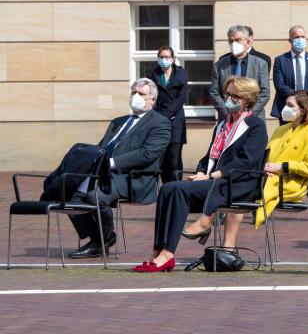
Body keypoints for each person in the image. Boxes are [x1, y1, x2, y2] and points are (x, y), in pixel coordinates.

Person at [132, 76, 268, 273]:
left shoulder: (255, 125)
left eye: (234, 96)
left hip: (237, 183)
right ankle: (158, 251)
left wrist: (212, 176)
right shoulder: (222, 124)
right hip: (215, 182)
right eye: (227, 94)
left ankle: (168, 254)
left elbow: (246, 162)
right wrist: (201, 171)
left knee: (178, 190)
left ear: (247, 99)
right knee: (168, 188)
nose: (228, 99)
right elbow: (209, 156)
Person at [68, 79, 171, 259]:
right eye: (133, 93)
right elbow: (102, 147)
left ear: (152, 100)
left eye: (141, 94)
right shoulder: (118, 121)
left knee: (94, 196)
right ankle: (100, 239)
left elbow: (148, 154)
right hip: (102, 173)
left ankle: (102, 241)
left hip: (131, 177)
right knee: (68, 193)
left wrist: (112, 163)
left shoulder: (159, 123)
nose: (136, 97)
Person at [220, 90, 308, 248]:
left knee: (240, 190)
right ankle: (227, 245)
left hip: (290, 184)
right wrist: (264, 167)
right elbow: (266, 156)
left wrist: (282, 167)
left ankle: (224, 242)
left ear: (303, 110)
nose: (285, 108)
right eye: (285, 104)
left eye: (290, 105)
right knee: (236, 185)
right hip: (267, 177)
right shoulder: (280, 130)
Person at [270, 25, 308, 203]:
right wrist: (295, 100)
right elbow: (279, 85)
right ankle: (286, 190)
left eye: (303, 36)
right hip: (288, 111)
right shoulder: (280, 60)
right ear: (290, 40)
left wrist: (305, 100)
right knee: (286, 151)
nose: (300, 39)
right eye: (296, 36)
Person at [146, 46, 187, 184]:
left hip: (176, 121)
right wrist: (159, 117)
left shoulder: (181, 74)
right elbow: (151, 97)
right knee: (161, 156)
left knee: (174, 157)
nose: (164, 60)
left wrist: (166, 115)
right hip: (158, 120)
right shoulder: (152, 75)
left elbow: (181, 98)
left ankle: (176, 187)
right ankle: (165, 188)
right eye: (162, 57)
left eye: (167, 57)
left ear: (173, 59)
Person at [209, 25, 269, 120]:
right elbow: (214, 93)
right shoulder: (219, 65)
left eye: (238, 40)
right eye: (231, 41)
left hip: (253, 118)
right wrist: (229, 114)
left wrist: (248, 114)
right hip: (227, 119)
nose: (234, 44)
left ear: (248, 42)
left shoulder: (261, 64)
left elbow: (264, 93)